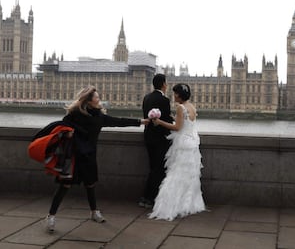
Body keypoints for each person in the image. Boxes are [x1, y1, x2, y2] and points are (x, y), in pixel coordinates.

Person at [45, 86, 148, 232]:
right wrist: (67, 133)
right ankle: (51, 216)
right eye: (97, 98)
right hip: (74, 155)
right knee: (64, 186)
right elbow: (62, 126)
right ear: (88, 101)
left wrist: (141, 122)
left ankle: (94, 212)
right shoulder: (74, 114)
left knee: (90, 184)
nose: (99, 100)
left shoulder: (99, 117)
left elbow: (119, 121)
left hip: (89, 155)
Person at [148, 83, 206, 221]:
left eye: (175, 94)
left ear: (179, 95)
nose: (173, 96)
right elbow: (186, 123)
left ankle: (170, 206)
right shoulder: (191, 106)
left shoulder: (180, 107)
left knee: (176, 174)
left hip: (182, 144)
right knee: (189, 176)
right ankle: (187, 205)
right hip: (192, 143)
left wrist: (159, 122)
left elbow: (177, 127)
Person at [140, 74, 174, 208]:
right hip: (160, 139)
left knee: (153, 167)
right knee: (158, 169)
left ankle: (147, 197)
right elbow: (165, 120)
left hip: (148, 137)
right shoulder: (164, 100)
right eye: (166, 83)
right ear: (163, 84)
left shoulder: (146, 98)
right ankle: (148, 198)